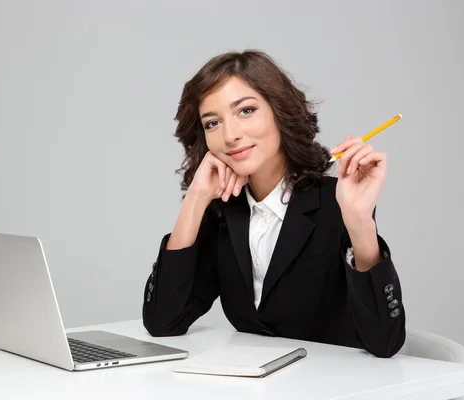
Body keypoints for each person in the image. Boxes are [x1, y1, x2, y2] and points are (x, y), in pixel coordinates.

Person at [142, 49, 406, 358]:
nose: (230, 135)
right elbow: (163, 321)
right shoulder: (224, 211)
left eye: (246, 111)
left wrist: (360, 220)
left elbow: (384, 342)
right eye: (212, 123)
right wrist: (196, 199)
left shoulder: (340, 202)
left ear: (279, 111)